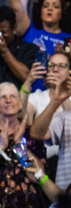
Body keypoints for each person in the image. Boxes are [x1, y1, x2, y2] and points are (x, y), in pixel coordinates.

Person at [30, 62, 71, 194]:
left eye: (62, 66)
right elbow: (37, 133)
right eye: (51, 65)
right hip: (66, 200)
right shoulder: (66, 117)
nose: (56, 69)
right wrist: (55, 101)